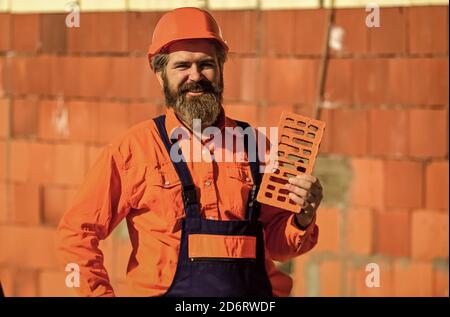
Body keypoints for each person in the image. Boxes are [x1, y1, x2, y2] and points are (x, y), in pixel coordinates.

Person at [57, 7, 323, 297]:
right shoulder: (133, 150)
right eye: (182, 66)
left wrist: (303, 219)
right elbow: (77, 233)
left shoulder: (258, 147)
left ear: (221, 69)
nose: (195, 76)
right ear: (160, 75)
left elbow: (278, 245)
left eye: (206, 64)